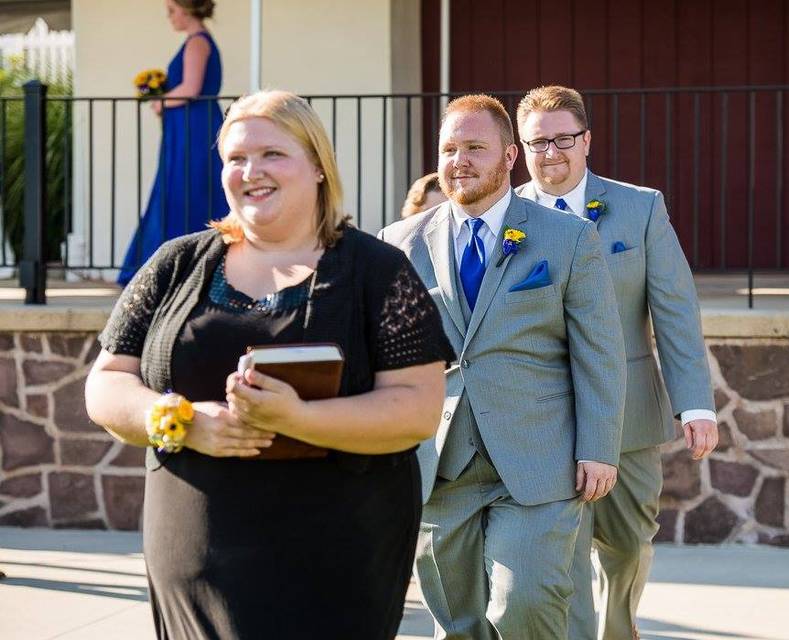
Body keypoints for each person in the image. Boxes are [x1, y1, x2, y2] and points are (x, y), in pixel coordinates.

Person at [85, 90, 453, 639]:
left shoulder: (377, 271)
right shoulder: (176, 264)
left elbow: (418, 409)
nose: (251, 171)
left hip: (337, 563)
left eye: (272, 154)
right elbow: (108, 382)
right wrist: (180, 419)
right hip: (197, 559)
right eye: (235, 159)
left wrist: (296, 419)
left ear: (318, 167)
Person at [379, 94, 627, 639]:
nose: (459, 161)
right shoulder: (397, 246)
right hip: (438, 464)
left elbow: (599, 352)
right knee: (459, 623)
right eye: (449, 149)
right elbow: (384, 358)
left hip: (540, 461)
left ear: (510, 156)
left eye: (475, 147)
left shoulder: (567, 238)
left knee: (525, 604)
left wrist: (599, 447)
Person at [514, 85, 718, 640]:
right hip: (544, 419)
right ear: (520, 147)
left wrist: (695, 403)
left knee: (628, 543)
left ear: (587, 141)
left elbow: (674, 310)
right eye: (537, 142)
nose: (550, 152)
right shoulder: (506, 217)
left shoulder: (640, 207)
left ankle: (618, 628)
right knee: (567, 556)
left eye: (562, 139)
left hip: (629, 414)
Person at [118, 0, 230, 285]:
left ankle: (181, 265)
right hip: (188, 125)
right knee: (181, 188)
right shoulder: (197, 41)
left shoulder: (197, 42)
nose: (169, 17)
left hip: (194, 126)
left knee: (185, 189)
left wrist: (160, 102)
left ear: (186, 9)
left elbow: (191, 88)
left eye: (172, 10)